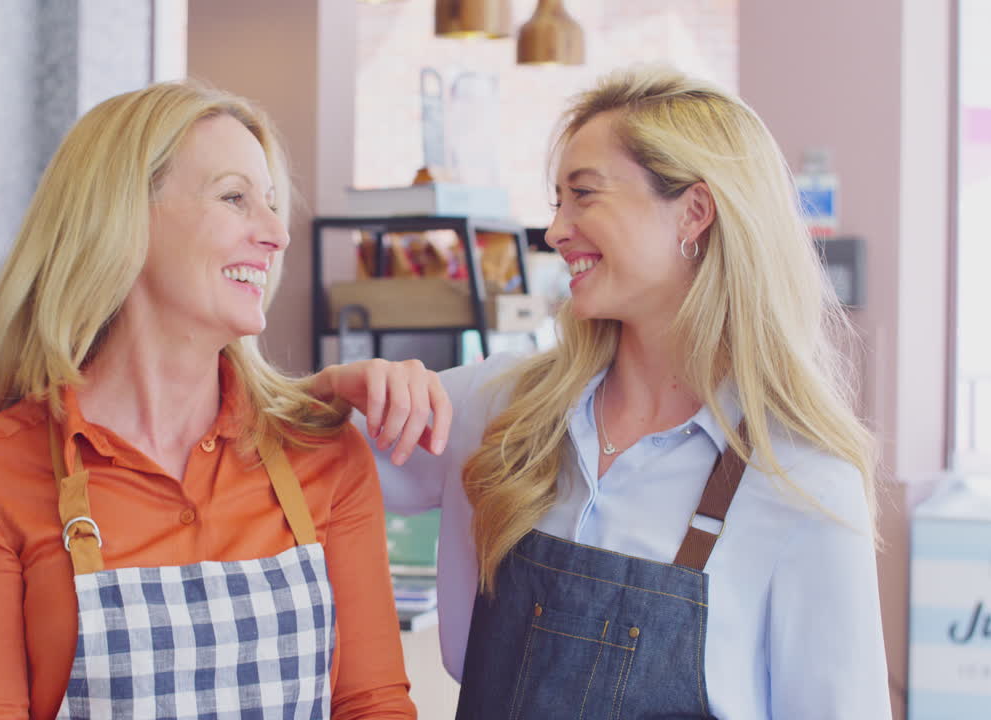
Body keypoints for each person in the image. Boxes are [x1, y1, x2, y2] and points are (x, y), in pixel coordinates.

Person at [315, 65, 892, 718]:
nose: (556, 230)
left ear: (694, 213)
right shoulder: (498, 405)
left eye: (583, 196)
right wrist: (336, 387)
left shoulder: (802, 480)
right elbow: (288, 466)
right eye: (557, 201)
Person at [0, 81, 416, 720]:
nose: (277, 235)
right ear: (122, 216)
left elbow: (371, 704)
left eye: (270, 204)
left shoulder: (323, 455)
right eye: (235, 198)